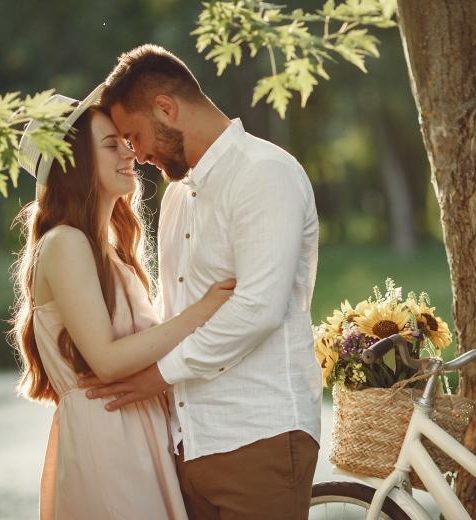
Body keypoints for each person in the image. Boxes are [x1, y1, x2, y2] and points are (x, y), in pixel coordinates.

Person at [79, 44, 322, 519]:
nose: (136, 154)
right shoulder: (176, 200)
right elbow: (175, 316)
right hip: (188, 447)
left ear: (166, 108)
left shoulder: (264, 173)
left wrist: (158, 376)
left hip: (260, 439)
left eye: (134, 135)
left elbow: (258, 310)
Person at [10, 85, 235, 519]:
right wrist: (202, 311)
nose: (129, 152)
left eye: (126, 141)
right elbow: (108, 362)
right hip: (107, 438)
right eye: (111, 144)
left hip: (140, 434)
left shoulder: (113, 252)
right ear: (72, 164)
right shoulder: (64, 243)